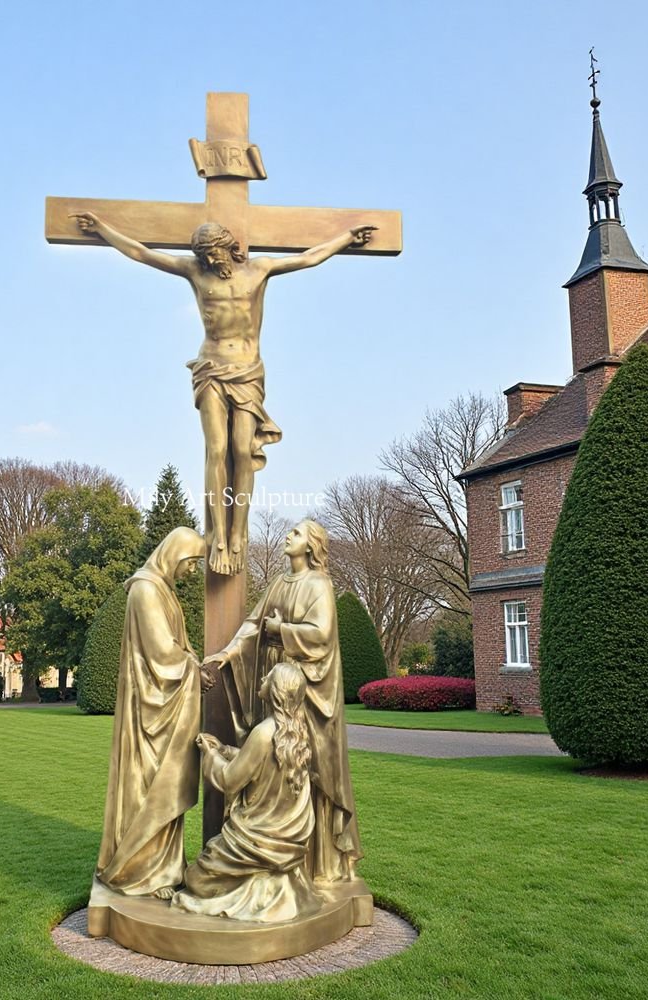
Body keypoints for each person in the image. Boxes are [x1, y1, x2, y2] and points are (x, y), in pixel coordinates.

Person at [70, 211, 376, 577]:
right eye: (204, 257)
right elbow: (143, 253)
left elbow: (308, 257)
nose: (211, 261)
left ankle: (236, 534)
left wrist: (345, 239)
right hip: (211, 368)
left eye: (214, 253)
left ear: (227, 245)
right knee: (216, 450)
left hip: (247, 371)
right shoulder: (195, 273)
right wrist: (103, 229)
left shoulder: (259, 270)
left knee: (243, 454)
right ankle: (217, 536)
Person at [203, 519, 362, 883]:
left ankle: (315, 863)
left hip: (304, 688)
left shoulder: (318, 584)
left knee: (307, 766)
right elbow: (253, 623)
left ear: (310, 546)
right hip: (272, 682)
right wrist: (229, 652)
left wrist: (280, 630)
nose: (288, 536)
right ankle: (269, 846)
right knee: (272, 758)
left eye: (296, 533)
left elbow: (320, 635)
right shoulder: (278, 581)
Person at [95, 526, 210, 899]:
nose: (192, 571)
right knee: (150, 786)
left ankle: (165, 868)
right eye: (191, 562)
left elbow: (176, 647)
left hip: (165, 705)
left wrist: (193, 663)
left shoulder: (162, 590)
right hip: (151, 709)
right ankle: (139, 871)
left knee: (166, 785)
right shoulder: (146, 589)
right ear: (175, 553)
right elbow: (162, 652)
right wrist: (195, 669)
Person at [171, 662, 321, 922]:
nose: (263, 676)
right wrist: (226, 751)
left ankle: (249, 892)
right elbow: (261, 765)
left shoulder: (263, 733)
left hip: (255, 837)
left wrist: (209, 754)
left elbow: (229, 780)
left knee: (195, 879)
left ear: (275, 691)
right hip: (284, 837)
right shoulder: (296, 733)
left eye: (269, 676)